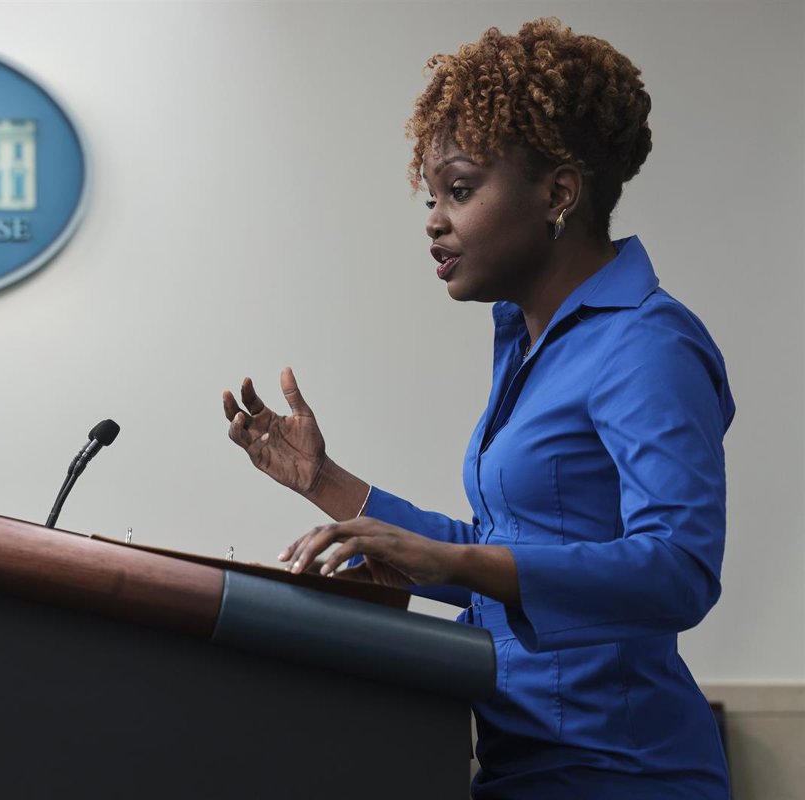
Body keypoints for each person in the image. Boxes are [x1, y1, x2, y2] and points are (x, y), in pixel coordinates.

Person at [223, 18, 733, 799]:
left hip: (620, 774)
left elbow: (678, 572)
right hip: (520, 762)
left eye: (459, 190)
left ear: (559, 193)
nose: (434, 218)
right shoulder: (527, 341)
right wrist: (324, 481)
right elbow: (506, 556)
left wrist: (458, 562)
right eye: (432, 196)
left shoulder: (645, 343)